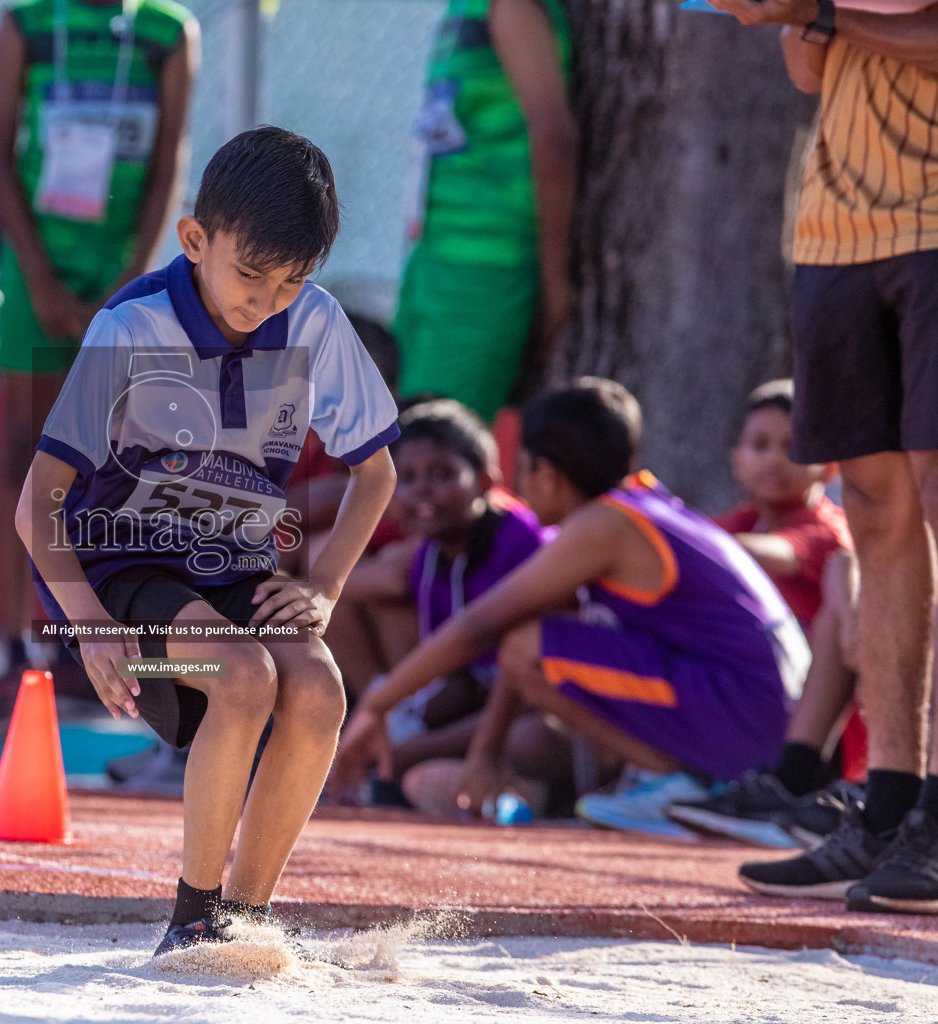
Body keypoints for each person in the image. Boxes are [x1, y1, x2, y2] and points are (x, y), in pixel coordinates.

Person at [15, 127, 399, 955]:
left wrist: (326, 586)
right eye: (250, 275)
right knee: (241, 673)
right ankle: (191, 920)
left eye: (292, 282)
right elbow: (36, 504)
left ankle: (246, 920)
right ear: (196, 240)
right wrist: (90, 625)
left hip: (234, 569)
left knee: (320, 690)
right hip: (119, 569)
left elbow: (377, 474)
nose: (266, 301)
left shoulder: (317, 325)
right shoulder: (129, 328)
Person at [332, 379, 809, 834]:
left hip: (749, 709)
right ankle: (675, 779)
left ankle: (682, 783)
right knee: (532, 642)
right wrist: (485, 750)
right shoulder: (637, 504)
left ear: (547, 475)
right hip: (766, 706)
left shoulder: (605, 525)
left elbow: (482, 625)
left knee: (527, 647)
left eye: (524, 470)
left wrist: (376, 704)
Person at [709, 0, 938, 912]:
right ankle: (888, 809)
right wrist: (794, 18)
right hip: (833, 231)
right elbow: (809, 72)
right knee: (876, 514)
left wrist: (816, 10)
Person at [0, 0, 198, 729]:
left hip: (120, 268)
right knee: (29, 449)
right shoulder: (26, 25)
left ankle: (95, 646)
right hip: (37, 268)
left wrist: (133, 279)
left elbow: (170, 159)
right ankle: (24, 645)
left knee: (121, 459)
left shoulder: (170, 32)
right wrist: (39, 276)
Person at [665, 380, 863, 850]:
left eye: (792, 446)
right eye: (760, 445)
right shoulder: (735, 523)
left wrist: (661, 544)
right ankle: (674, 777)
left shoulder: (827, 531)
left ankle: (795, 783)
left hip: (825, 734)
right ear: (736, 458)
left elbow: (751, 554)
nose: (774, 459)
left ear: (827, 465)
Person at [326, 400, 552, 805]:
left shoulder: (522, 543)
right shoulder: (429, 559)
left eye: (442, 474)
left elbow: (526, 682)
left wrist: (409, 748)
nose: (422, 490)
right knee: (431, 719)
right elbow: (459, 678)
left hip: (535, 702)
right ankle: (401, 763)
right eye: (407, 478)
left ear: (485, 481)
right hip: (482, 700)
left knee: (530, 739)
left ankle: (506, 783)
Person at [392, 0, 576, 422]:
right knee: (404, 441)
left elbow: (554, 140)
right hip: (432, 262)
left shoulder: (512, 8)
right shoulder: (463, 9)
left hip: (484, 270)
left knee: (434, 449)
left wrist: (554, 279)